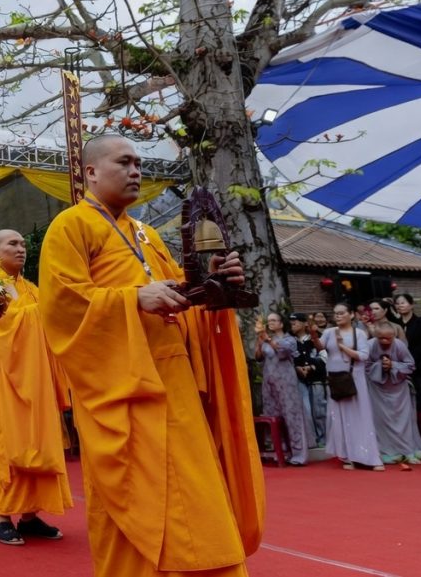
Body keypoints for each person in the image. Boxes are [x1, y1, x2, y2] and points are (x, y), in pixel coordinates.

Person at [38, 135, 264, 577]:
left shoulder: (147, 234)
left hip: (176, 388)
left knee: (198, 504)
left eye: (139, 163)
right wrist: (132, 299)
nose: (136, 171)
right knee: (137, 507)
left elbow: (180, 299)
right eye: (124, 162)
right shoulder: (70, 226)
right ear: (90, 172)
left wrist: (212, 285)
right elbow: (62, 309)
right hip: (125, 393)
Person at [0, 229, 72, 546]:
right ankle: (2, 518)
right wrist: (46, 308)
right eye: (13, 244)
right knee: (11, 447)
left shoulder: (30, 289)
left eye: (22, 244)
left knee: (39, 442)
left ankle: (30, 516)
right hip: (5, 380)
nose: (21, 249)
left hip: (37, 380)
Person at [312, 302, 382, 471]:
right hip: (335, 379)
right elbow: (320, 347)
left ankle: (369, 456)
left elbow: (363, 356)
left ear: (351, 314)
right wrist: (313, 334)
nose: (338, 316)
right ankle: (347, 456)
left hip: (354, 378)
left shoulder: (360, 333)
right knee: (340, 418)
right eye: (336, 313)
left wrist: (343, 346)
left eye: (342, 313)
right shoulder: (329, 332)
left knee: (360, 416)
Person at [365, 325, 421, 469]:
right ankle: (384, 451)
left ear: (394, 336)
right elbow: (364, 366)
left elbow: (410, 365)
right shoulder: (369, 345)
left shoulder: (399, 345)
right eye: (381, 338)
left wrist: (393, 365)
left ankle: (406, 450)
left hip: (398, 390)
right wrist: (379, 366)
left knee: (403, 420)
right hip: (377, 390)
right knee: (380, 421)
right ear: (376, 336)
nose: (384, 341)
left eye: (388, 338)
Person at [256, 313, 309, 466]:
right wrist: (259, 342)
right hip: (269, 381)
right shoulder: (267, 339)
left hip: (286, 382)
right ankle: (282, 451)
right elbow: (258, 357)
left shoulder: (289, 340)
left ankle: (298, 454)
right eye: (269, 321)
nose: (270, 323)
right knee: (273, 415)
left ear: (281, 324)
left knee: (291, 416)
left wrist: (267, 339)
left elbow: (282, 352)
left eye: (274, 320)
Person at [290, 312, 326, 447]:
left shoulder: (315, 338)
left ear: (305, 323)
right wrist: (297, 368)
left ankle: (324, 439)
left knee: (319, 410)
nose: (293, 324)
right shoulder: (290, 341)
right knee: (306, 410)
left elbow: (324, 356)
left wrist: (312, 366)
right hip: (299, 380)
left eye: (296, 322)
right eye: (291, 322)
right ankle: (311, 440)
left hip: (316, 379)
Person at [394, 293, 421, 412]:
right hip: (401, 369)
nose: (400, 305)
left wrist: (409, 358)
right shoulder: (395, 324)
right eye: (397, 303)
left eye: (403, 303)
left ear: (411, 305)